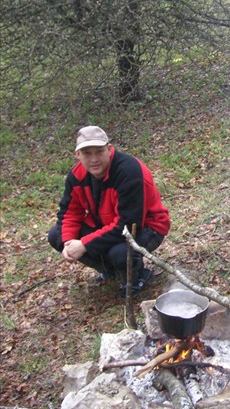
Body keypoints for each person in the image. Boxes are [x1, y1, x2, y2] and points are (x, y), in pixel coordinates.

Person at [48, 126, 170, 296]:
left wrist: (84, 244)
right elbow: (69, 213)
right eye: (87, 154)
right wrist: (69, 243)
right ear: (78, 155)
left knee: (120, 253)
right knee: (56, 235)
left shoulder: (129, 172)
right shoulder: (76, 176)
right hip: (109, 225)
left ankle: (137, 275)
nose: (94, 159)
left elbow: (129, 225)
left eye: (99, 152)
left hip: (147, 227)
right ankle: (111, 271)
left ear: (109, 149)